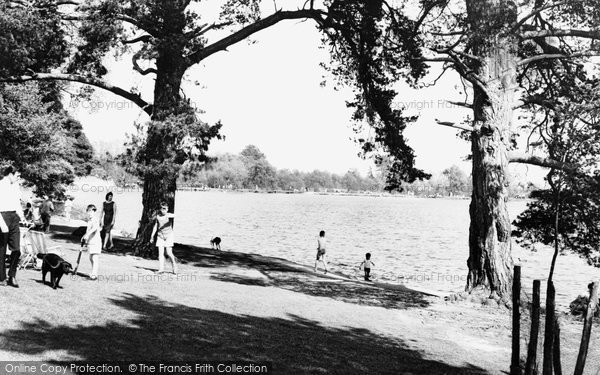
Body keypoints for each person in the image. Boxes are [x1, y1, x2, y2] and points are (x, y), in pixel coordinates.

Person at [0, 166, 26, 287]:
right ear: (10, 174)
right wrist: (2, 224)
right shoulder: (1, 185)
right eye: (17, 176)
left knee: (16, 249)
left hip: (14, 218)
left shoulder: (15, 187)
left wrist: (22, 217)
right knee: (1, 250)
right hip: (2, 217)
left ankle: (12, 275)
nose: (19, 178)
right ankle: (2, 278)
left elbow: (17, 204)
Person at [151, 202, 177, 274]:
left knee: (169, 253)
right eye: (162, 209)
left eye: (165, 209)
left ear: (167, 209)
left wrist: (170, 215)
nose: (163, 210)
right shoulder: (158, 216)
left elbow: (174, 215)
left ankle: (174, 265)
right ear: (160, 209)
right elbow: (155, 226)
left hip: (169, 235)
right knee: (160, 253)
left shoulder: (168, 215)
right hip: (160, 236)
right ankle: (161, 269)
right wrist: (152, 236)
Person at [81, 204, 101, 280]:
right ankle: (93, 272)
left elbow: (95, 228)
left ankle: (94, 275)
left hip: (96, 241)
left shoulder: (95, 219)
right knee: (91, 257)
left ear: (93, 211)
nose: (89, 213)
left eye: (91, 211)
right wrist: (84, 236)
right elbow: (88, 230)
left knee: (95, 258)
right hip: (91, 241)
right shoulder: (90, 220)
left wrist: (87, 234)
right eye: (88, 211)